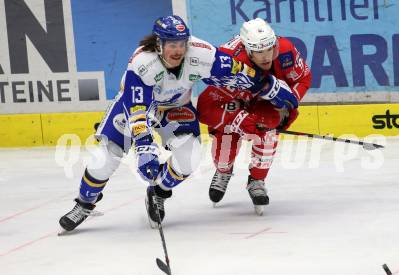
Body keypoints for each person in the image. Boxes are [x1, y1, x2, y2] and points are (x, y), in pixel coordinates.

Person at [58, 15, 282, 231]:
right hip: (139, 108)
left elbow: (236, 71)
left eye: (182, 44)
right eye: (172, 44)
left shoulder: (201, 53)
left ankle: (158, 192)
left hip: (176, 108)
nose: (178, 50)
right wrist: (145, 147)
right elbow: (138, 110)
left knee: (189, 157)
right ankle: (84, 204)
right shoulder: (142, 63)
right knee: (104, 157)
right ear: (158, 44)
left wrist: (270, 88)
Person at [197, 18, 312, 215]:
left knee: (267, 132)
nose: (267, 56)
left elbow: (303, 79)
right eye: (259, 52)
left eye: (269, 49)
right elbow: (205, 108)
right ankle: (224, 170)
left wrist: (289, 103)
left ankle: (257, 180)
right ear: (247, 49)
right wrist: (237, 119)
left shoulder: (285, 50)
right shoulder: (228, 61)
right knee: (224, 153)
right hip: (233, 101)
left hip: (265, 100)